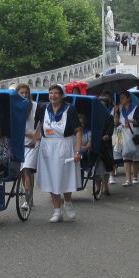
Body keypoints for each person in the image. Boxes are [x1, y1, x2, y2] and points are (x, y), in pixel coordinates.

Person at [34, 84, 82, 222]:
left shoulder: (70, 109)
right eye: (51, 93)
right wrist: (34, 140)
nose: (53, 95)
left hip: (65, 145)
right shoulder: (43, 108)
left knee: (65, 177)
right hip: (47, 146)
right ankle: (57, 211)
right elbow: (38, 125)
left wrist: (78, 151)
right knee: (51, 178)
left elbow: (78, 130)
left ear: (62, 95)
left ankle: (67, 203)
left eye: (56, 93)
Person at [15, 83, 38, 211]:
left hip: (34, 142)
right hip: (20, 142)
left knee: (27, 169)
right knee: (23, 172)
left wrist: (35, 136)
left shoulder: (35, 106)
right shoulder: (14, 106)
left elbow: (41, 123)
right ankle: (30, 196)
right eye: (21, 93)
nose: (24, 95)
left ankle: (27, 200)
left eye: (26, 93)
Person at [116, 90, 139, 185]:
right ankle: (128, 179)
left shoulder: (136, 108)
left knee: (136, 156)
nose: (121, 100)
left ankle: (135, 176)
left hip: (134, 134)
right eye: (120, 98)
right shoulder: (120, 110)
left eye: (123, 97)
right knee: (125, 156)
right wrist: (116, 112)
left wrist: (131, 120)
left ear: (128, 98)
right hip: (123, 135)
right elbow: (116, 123)